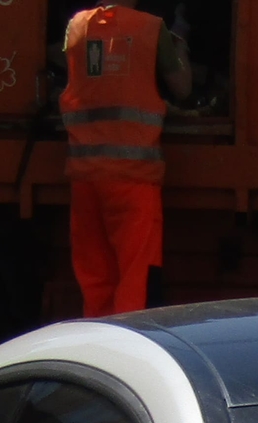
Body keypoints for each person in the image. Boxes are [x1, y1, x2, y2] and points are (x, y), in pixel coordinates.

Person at [60, 0, 189, 318]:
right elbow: (182, 88)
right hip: (133, 178)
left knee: (95, 281)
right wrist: (180, 47)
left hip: (85, 177)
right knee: (135, 279)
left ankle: (97, 347)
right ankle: (126, 350)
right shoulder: (151, 28)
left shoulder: (76, 26)